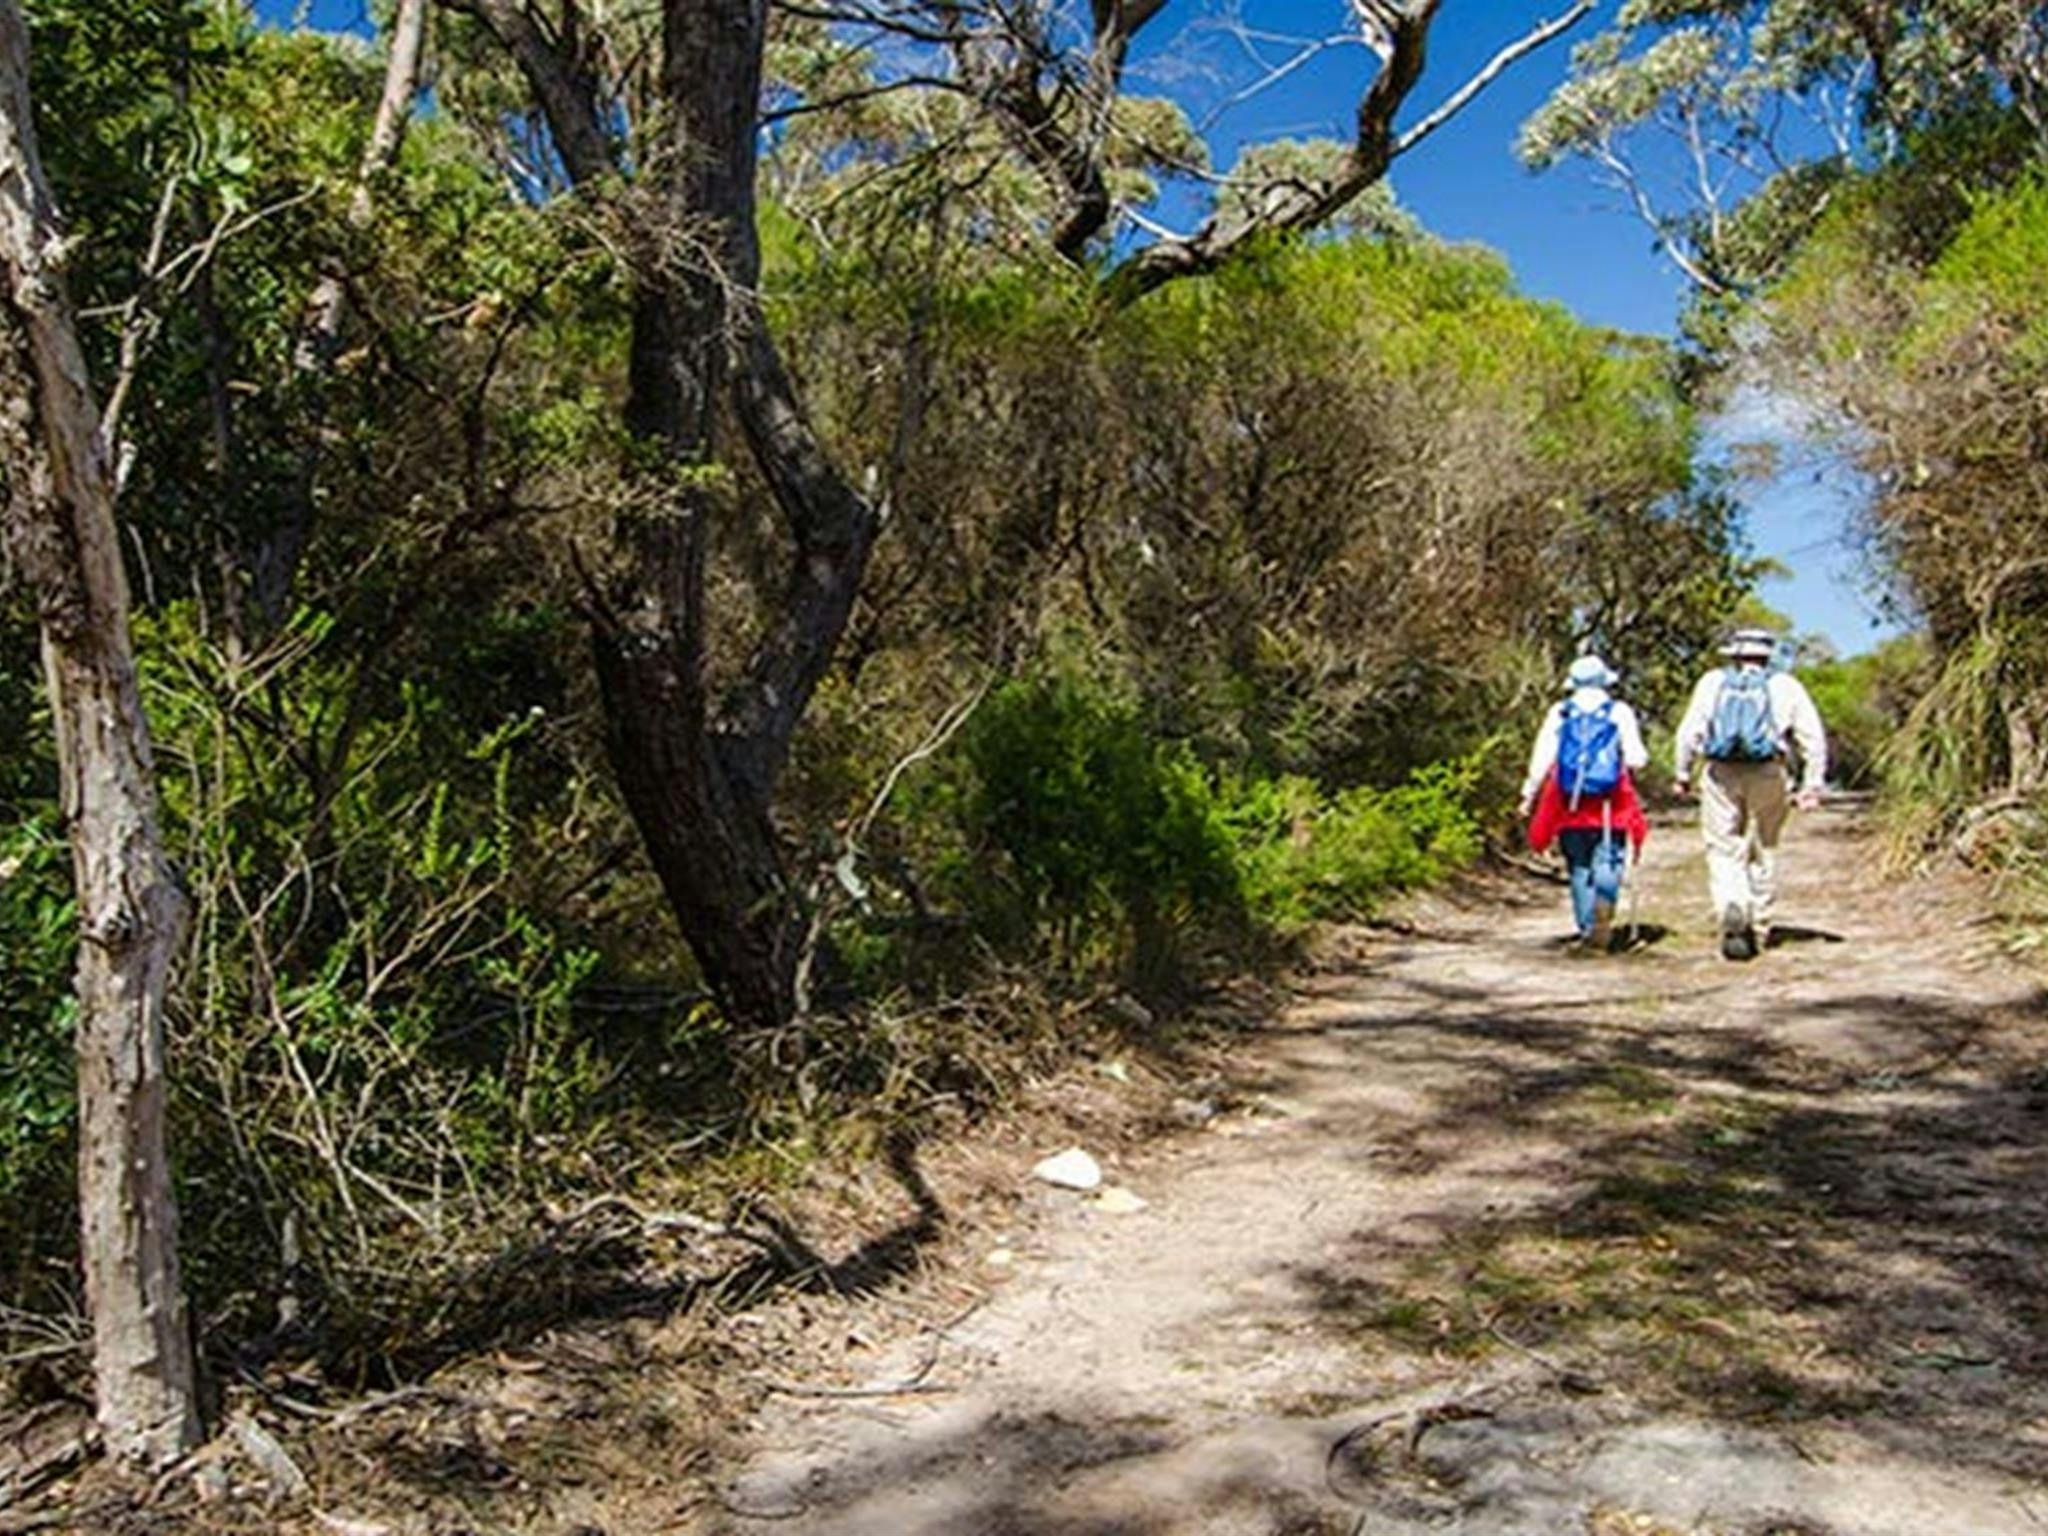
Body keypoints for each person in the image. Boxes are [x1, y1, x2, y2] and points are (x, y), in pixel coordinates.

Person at [1672, 626, 1828, 961]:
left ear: (1734, 653)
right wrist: (1811, 784)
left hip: (1720, 771)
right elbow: (1812, 738)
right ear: (1767, 654)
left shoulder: (1712, 682)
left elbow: (1689, 732)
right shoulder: (1786, 686)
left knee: (1722, 845)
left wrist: (1682, 773)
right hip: (1769, 770)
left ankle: (1732, 902)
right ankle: (1758, 924)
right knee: (1765, 845)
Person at [1521, 654, 1650, 950]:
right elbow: (1636, 758)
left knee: (1579, 866)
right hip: (1610, 802)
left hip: (1568, 803)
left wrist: (1528, 794)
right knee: (1609, 858)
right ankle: (1605, 903)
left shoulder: (1560, 712)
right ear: (1605, 681)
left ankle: (1587, 929)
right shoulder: (1619, 711)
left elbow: (1542, 758)